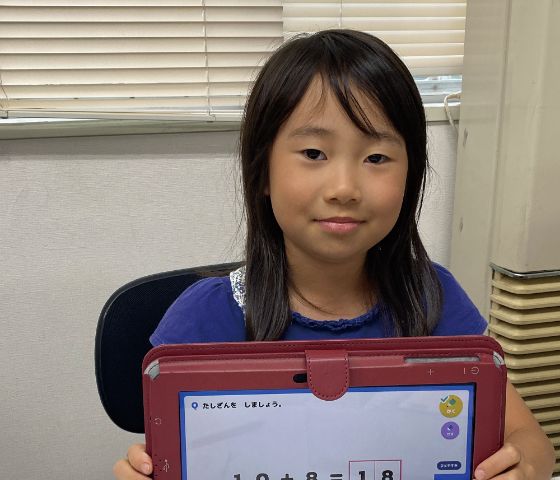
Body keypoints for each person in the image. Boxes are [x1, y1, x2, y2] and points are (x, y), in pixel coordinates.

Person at [113, 30, 555, 480]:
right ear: (262, 171)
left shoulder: (432, 298)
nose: (344, 188)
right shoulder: (202, 320)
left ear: (411, 175)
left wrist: (522, 465)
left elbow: (532, 444)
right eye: (313, 153)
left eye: (376, 158)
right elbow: (169, 459)